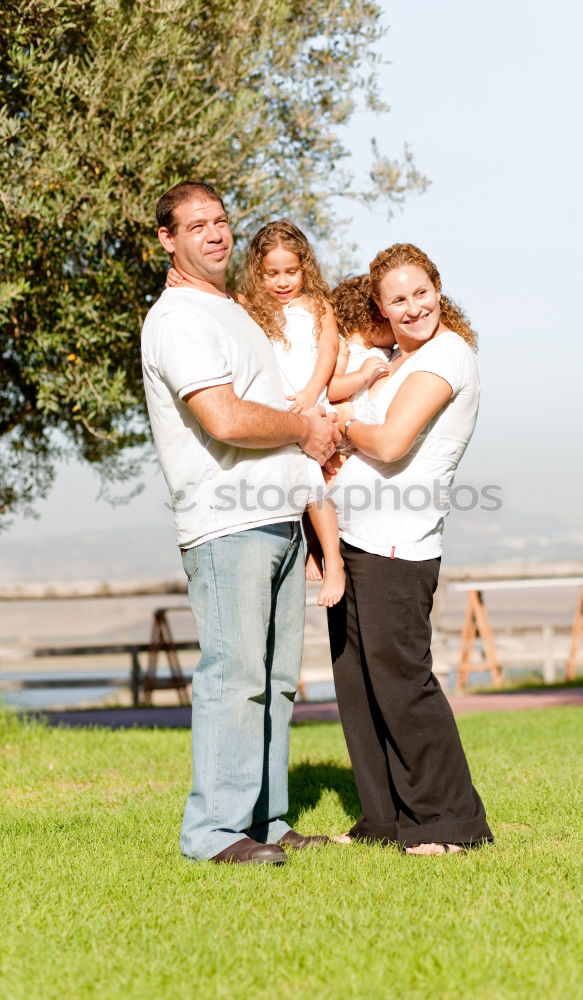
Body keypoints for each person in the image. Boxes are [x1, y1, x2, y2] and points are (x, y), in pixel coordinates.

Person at [141, 181, 339, 866]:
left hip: (277, 518)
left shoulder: (233, 311)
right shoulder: (178, 319)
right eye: (197, 225)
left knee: (278, 680)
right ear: (168, 239)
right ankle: (216, 834)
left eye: (221, 221)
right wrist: (303, 428)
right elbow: (224, 418)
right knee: (235, 677)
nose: (216, 234)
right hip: (228, 524)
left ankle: (267, 820)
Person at [327, 243, 494, 855]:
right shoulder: (396, 358)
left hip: (399, 543)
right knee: (358, 685)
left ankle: (450, 821)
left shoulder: (447, 355)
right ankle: (385, 819)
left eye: (420, 292)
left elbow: (393, 442)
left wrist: (341, 426)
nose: (412, 305)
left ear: (438, 288)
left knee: (402, 683)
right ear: (381, 306)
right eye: (397, 298)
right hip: (354, 539)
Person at [167, 220, 346, 608]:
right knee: (293, 478)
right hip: (282, 410)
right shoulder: (253, 307)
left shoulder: (317, 306)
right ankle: (311, 547)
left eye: (291, 272)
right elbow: (223, 298)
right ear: (258, 273)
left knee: (315, 480)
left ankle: (333, 561)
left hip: (309, 402)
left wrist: (312, 393)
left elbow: (329, 351)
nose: (282, 282)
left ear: (306, 269)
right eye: (272, 274)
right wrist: (184, 282)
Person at [328, 274, 395, 408]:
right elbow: (331, 390)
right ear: (375, 321)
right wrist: (361, 375)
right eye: (391, 323)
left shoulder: (384, 351)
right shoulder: (343, 348)